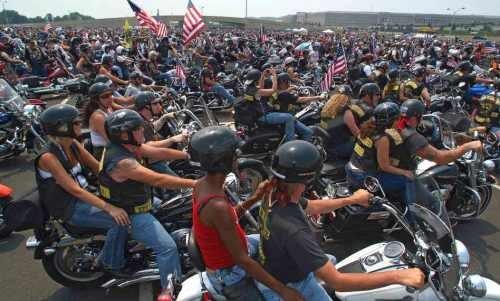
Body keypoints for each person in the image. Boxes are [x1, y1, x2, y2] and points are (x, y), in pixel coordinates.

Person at [257, 140, 425, 301]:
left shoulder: (274, 193)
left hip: (277, 264)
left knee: (330, 259)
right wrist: (399, 276)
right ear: (308, 178)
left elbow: (310, 206)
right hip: (291, 283)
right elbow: (338, 282)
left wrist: (351, 200)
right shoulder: (294, 230)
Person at [98, 109, 196, 300]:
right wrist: (195, 184)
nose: (142, 131)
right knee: (167, 248)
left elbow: (157, 152)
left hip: (140, 201)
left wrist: (187, 155)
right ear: (124, 134)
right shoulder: (123, 161)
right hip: (132, 213)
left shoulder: (128, 147)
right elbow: (158, 180)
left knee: (176, 207)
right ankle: (171, 292)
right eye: (137, 129)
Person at [36, 104, 129, 276]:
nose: (80, 124)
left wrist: (128, 176)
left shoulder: (73, 144)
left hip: (87, 195)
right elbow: (74, 190)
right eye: (75, 122)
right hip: (70, 207)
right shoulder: (48, 157)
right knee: (119, 221)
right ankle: (112, 264)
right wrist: (110, 208)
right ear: (62, 127)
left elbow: (97, 167)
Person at [391, 99, 483, 213]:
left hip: (390, 170)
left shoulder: (395, 126)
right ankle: (432, 229)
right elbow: (441, 158)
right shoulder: (412, 136)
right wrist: (467, 147)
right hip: (403, 176)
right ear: (418, 116)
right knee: (434, 203)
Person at [320, 83, 380, 160]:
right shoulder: (347, 110)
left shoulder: (328, 108)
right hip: (339, 148)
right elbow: (357, 134)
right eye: (377, 94)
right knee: (369, 147)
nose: (379, 97)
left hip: (327, 146)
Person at [83, 82, 115, 159]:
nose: (110, 97)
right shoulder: (98, 117)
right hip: (103, 152)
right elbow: (110, 140)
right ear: (96, 100)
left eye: (111, 94)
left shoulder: (108, 109)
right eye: (105, 96)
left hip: (110, 147)